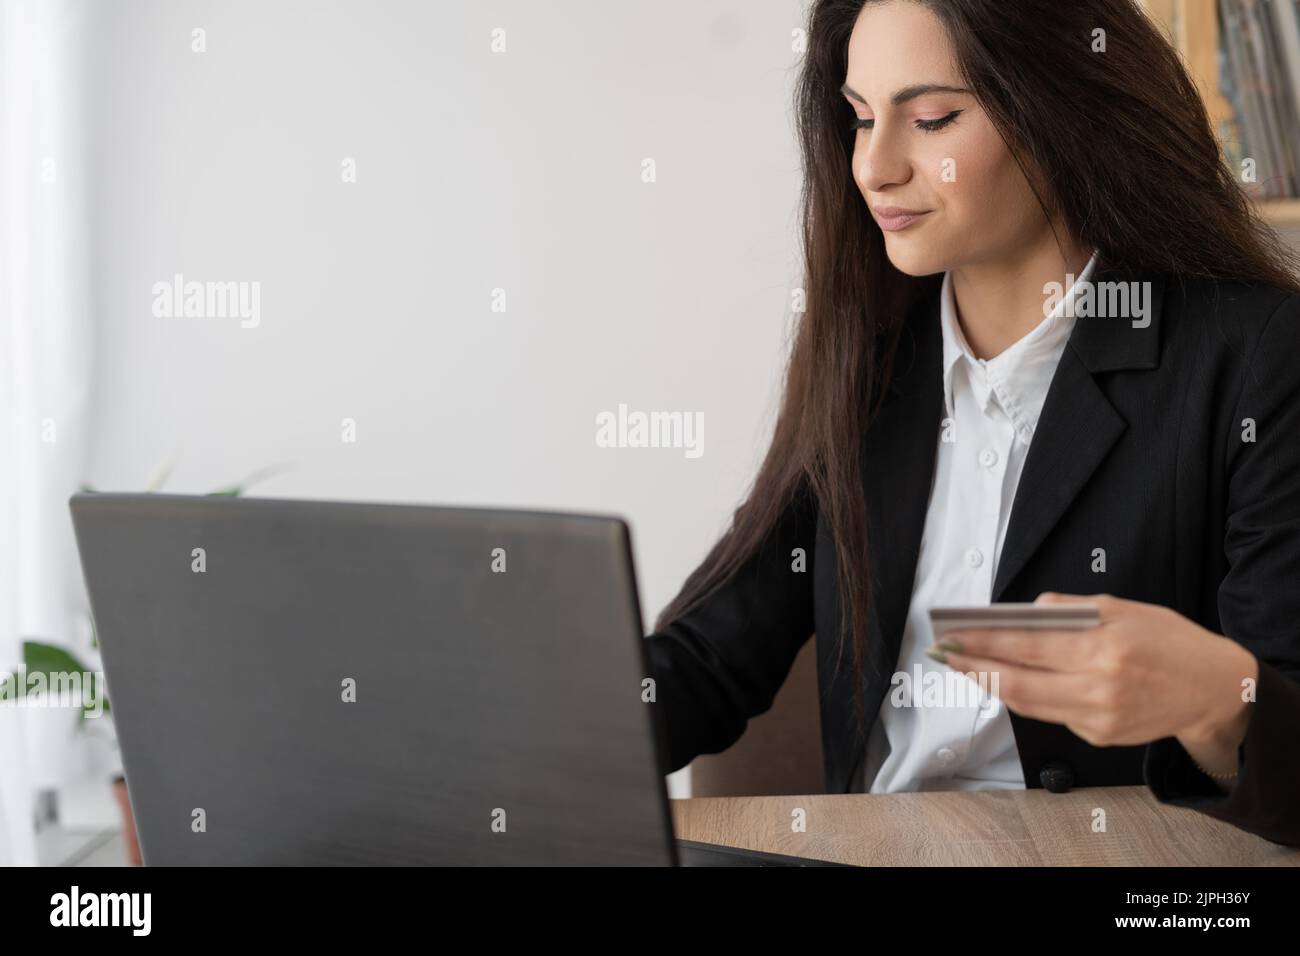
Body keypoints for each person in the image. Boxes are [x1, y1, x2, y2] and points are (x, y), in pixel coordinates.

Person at [643, 0, 1300, 846]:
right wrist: (504, 732)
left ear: (1061, 111)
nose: (873, 167)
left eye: (931, 119)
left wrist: (1216, 697)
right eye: (860, 118)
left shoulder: (1255, 358)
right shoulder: (866, 360)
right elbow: (707, 660)